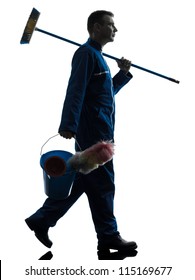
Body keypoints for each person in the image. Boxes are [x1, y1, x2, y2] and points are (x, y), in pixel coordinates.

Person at [25, 10, 137, 254]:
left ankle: (42, 219)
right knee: (104, 183)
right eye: (110, 25)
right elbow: (75, 90)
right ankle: (108, 236)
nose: (115, 30)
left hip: (102, 129)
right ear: (95, 27)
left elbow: (104, 95)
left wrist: (123, 74)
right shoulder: (86, 54)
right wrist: (68, 124)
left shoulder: (99, 58)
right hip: (94, 135)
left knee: (83, 181)